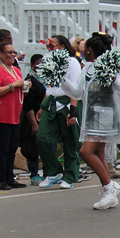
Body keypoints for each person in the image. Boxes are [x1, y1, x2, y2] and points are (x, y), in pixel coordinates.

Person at [60, 33, 120, 210]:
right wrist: (60, 78)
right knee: (99, 155)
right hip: (91, 117)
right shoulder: (87, 69)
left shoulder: (110, 68)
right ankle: (108, 193)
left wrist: (114, 77)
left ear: (90, 50)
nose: (82, 51)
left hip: (106, 119)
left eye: (85, 48)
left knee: (86, 152)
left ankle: (110, 187)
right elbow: (77, 93)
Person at [37, 35, 82, 190]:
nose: (49, 49)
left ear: (62, 46)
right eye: (48, 46)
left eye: (52, 45)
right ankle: (54, 171)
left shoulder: (72, 62)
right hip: (51, 103)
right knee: (42, 138)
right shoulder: (49, 61)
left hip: (67, 103)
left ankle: (70, 175)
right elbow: (48, 86)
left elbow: (75, 88)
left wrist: (73, 110)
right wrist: (42, 107)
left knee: (70, 142)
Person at [0, 42, 28, 191]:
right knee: (3, 148)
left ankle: (10, 178)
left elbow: (19, 86)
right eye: (9, 52)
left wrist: (24, 86)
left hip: (15, 113)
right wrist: (12, 86)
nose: (12, 55)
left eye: (13, 52)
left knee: (12, 147)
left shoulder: (15, 70)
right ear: (1, 54)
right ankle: (1, 179)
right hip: (2, 114)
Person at [20, 54, 46, 185]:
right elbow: (27, 103)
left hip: (45, 115)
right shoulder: (29, 80)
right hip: (32, 116)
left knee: (46, 144)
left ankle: (48, 172)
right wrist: (34, 124)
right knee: (32, 146)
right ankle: (34, 173)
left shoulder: (47, 79)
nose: (40, 66)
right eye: (38, 64)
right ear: (32, 65)